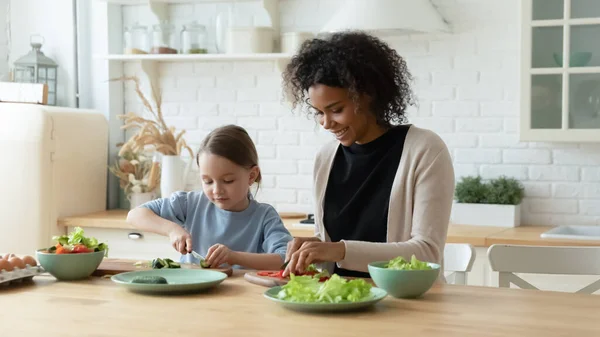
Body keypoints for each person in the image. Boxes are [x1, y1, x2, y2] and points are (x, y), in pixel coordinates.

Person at [280, 31, 455, 279]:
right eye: (318, 112)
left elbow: (426, 253)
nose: (326, 123)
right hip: (338, 297)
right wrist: (311, 247)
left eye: (336, 110)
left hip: (403, 303)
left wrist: (338, 250)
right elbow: (332, 244)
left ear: (367, 95)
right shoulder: (326, 157)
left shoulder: (424, 150)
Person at [127, 125, 293, 270]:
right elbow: (135, 215)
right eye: (207, 181)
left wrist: (233, 257)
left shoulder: (264, 216)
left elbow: (284, 259)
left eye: (228, 181)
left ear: (251, 176)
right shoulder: (189, 203)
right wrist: (172, 229)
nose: (216, 190)